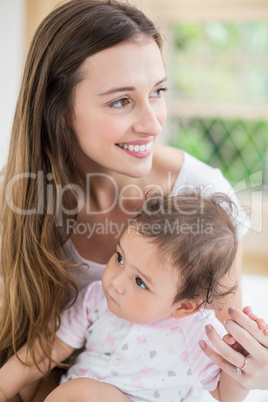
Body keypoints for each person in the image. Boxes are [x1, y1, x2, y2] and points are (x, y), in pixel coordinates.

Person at [1, 0, 267, 397]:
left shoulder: (205, 200)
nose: (153, 122)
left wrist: (253, 370)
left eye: (157, 91)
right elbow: (23, 351)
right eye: (121, 100)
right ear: (58, 110)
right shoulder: (21, 197)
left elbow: (220, 379)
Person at [0, 192, 250, 402]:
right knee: (27, 371)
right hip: (73, 392)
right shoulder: (96, 299)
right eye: (119, 257)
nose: (115, 281)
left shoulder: (198, 333)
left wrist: (240, 365)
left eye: (140, 282)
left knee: (80, 391)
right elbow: (48, 348)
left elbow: (224, 394)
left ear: (184, 306)